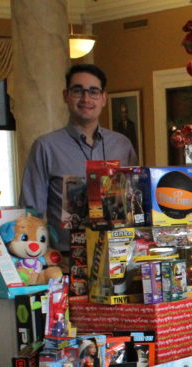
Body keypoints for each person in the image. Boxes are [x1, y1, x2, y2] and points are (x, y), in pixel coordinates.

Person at [20, 64, 137, 250]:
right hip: (66, 261)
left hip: (119, 256)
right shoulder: (46, 146)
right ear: (66, 96)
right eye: (78, 91)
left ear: (104, 98)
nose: (86, 99)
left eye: (93, 92)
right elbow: (30, 214)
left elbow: (135, 203)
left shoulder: (122, 145)